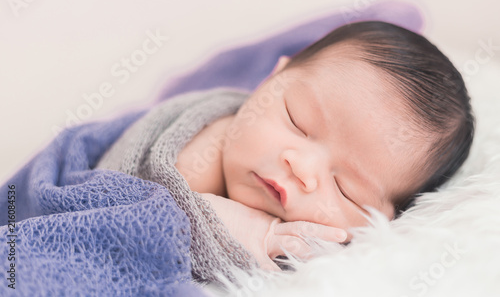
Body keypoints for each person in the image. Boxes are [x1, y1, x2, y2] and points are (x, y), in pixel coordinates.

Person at [99, 21, 475, 271]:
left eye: (346, 189)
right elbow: (136, 216)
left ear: (385, 220)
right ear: (270, 79)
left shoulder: (347, 266)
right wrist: (257, 235)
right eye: (297, 121)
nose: (302, 168)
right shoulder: (198, 155)